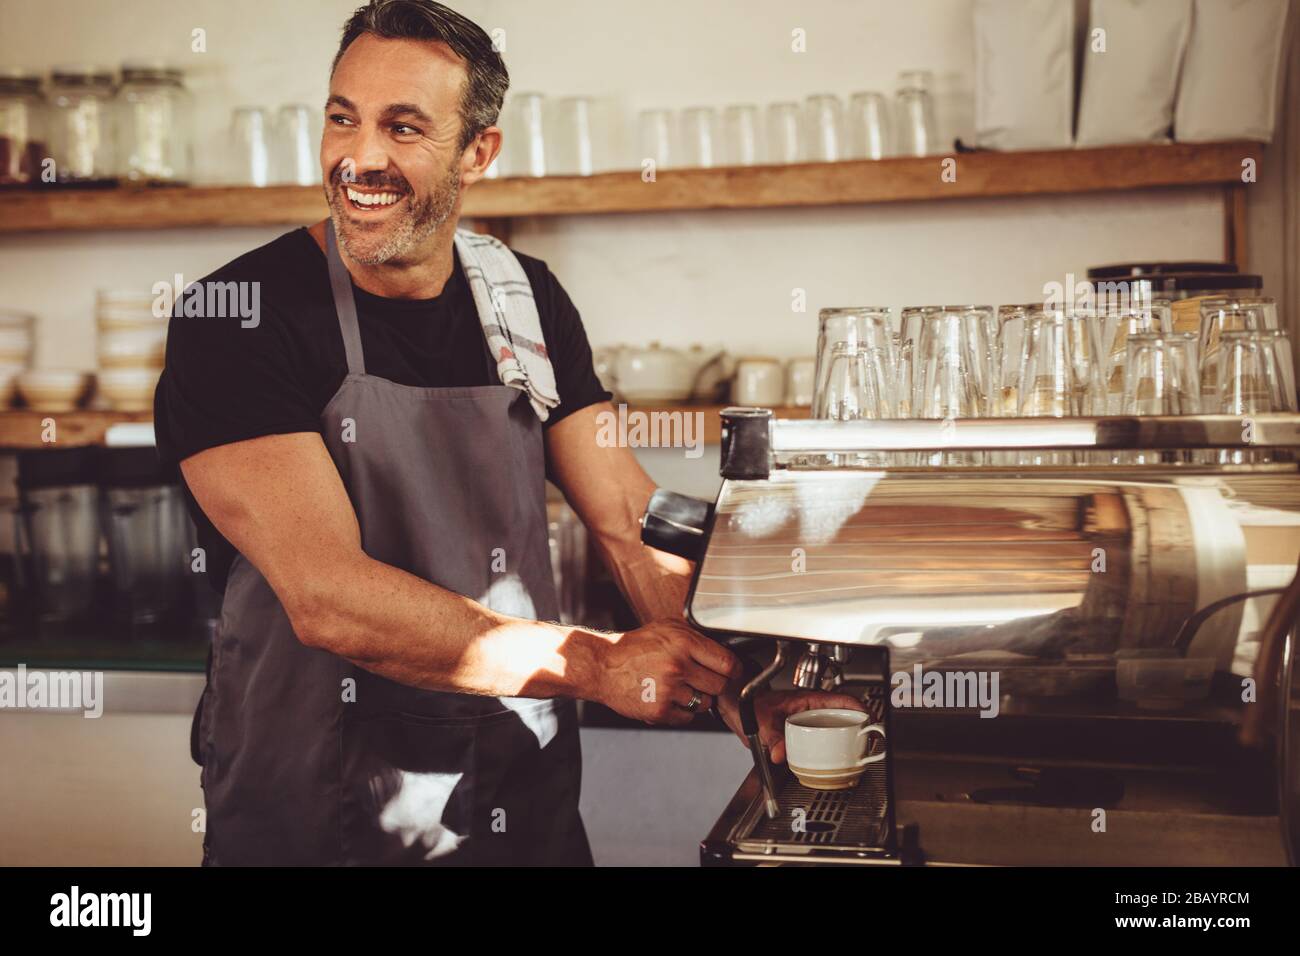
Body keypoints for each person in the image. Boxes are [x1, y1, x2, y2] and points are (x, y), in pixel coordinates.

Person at [156, 0, 861, 866]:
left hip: (514, 794)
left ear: (478, 151)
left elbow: (627, 517)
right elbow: (327, 596)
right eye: (343, 117)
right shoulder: (239, 318)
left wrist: (734, 688)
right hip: (321, 800)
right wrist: (600, 665)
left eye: (403, 127)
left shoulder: (521, 300)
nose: (358, 158)